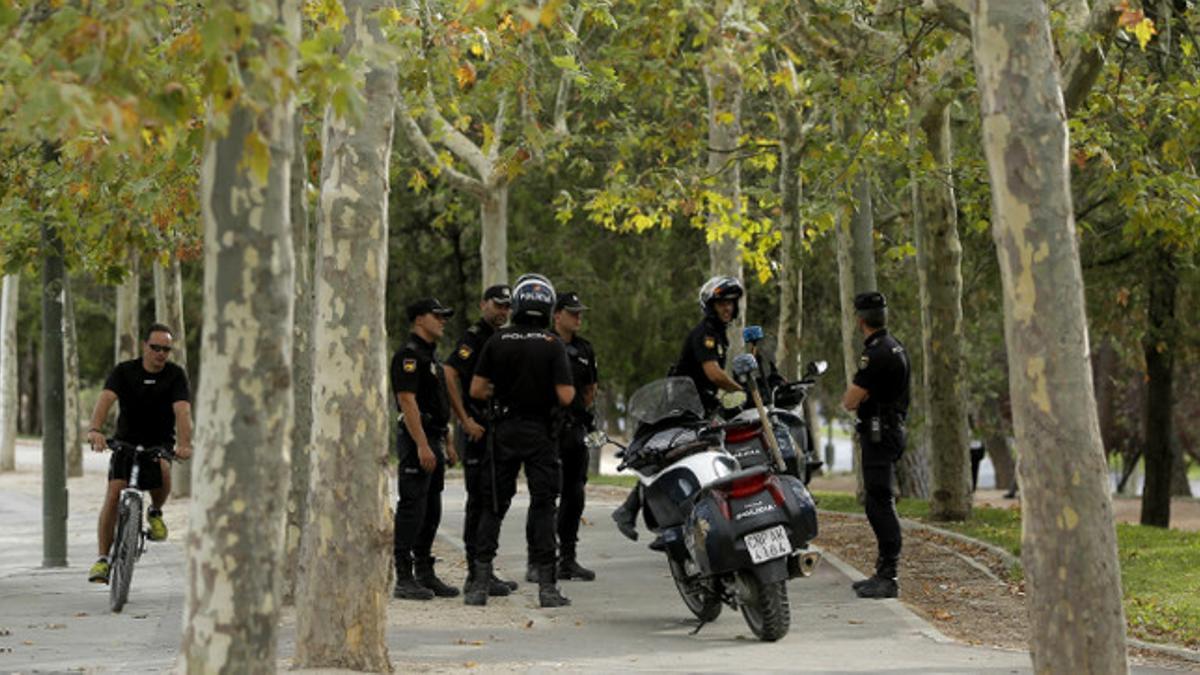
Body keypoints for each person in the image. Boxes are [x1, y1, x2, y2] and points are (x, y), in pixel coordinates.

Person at [465, 274, 575, 608]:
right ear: (548, 306)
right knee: (543, 505)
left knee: (493, 505)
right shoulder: (552, 343)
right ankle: (547, 588)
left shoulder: (497, 341)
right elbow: (567, 395)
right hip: (541, 433)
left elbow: (476, 389)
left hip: (504, 431)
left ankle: (480, 584)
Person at [611, 276, 744, 542]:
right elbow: (713, 373)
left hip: (700, 405)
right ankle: (664, 524)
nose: (727, 308)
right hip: (682, 407)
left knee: (681, 459)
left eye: (731, 302)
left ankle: (634, 513)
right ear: (710, 305)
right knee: (674, 459)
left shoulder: (718, 334)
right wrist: (740, 390)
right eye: (722, 303)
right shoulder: (705, 333)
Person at [86, 323, 193, 584]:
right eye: (155, 347)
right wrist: (95, 430)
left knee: (164, 470)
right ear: (144, 346)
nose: (160, 354)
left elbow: (182, 411)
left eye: (166, 349)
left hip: (159, 444)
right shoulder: (124, 371)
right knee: (114, 493)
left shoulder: (176, 375)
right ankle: (102, 559)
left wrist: (185, 443)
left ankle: (155, 512)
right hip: (126, 442)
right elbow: (105, 400)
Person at [442, 284, 518, 597]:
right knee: (479, 502)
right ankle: (475, 572)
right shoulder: (473, 336)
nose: (502, 312)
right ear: (483, 304)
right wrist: (464, 419)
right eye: (497, 306)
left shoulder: (503, 338)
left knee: (495, 498)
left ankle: (485, 569)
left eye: (506, 307)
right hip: (477, 429)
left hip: (498, 429)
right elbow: (449, 372)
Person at [841, 291, 910, 599]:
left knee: (878, 503)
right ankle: (883, 570)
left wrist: (861, 396)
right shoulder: (895, 347)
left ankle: (889, 576)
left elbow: (850, 400)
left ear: (860, 320)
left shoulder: (877, 353)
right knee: (878, 501)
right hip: (890, 430)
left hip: (880, 434)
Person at [391, 298, 459, 600]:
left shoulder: (432, 357)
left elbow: (438, 403)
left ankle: (425, 571)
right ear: (419, 320)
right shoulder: (409, 355)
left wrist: (446, 441)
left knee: (431, 509)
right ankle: (404, 576)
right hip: (416, 439)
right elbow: (408, 401)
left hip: (433, 437)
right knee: (412, 508)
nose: (442, 321)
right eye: (437, 315)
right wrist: (421, 445)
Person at [545, 291, 598, 582]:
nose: (578, 317)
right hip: (548, 429)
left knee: (574, 494)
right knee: (546, 494)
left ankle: (568, 557)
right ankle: (540, 559)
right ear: (557, 315)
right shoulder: (544, 343)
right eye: (572, 312)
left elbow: (590, 390)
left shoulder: (585, 349)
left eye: (580, 312)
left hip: (575, 428)